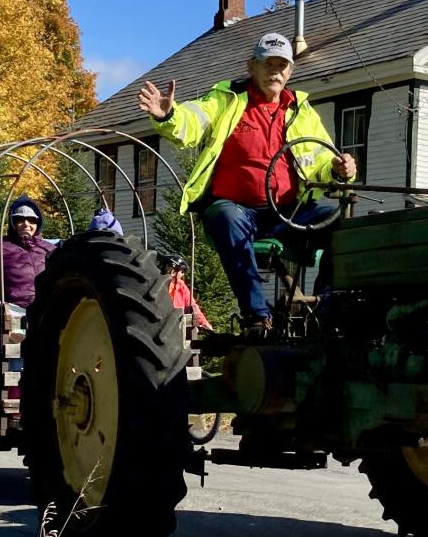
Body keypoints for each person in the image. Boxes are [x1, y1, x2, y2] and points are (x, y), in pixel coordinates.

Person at [138, 31, 356, 330]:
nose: (275, 71)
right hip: (238, 209)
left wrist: (338, 168)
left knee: (340, 224)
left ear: (290, 71)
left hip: (288, 212)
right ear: (251, 66)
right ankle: (257, 316)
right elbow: (194, 119)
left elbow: (319, 160)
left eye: (282, 65)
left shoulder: (300, 110)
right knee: (227, 216)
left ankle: (326, 308)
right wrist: (169, 116)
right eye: (268, 64)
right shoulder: (227, 98)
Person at [0, 196, 56, 308]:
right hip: (14, 311)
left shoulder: (50, 249)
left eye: (31, 220)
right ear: (12, 222)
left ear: (38, 223)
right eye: (19, 219)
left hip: (48, 310)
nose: (26, 224)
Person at [157, 252, 212, 331]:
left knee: (193, 320)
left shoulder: (181, 286)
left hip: (176, 325)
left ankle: (192, 341)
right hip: (160, 322)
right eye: (181, 271)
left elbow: (193, 306)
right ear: (172, 271)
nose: (182, 275)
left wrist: (205, 324)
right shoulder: (157, 283)